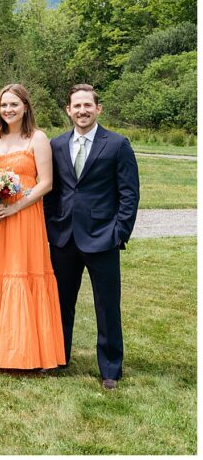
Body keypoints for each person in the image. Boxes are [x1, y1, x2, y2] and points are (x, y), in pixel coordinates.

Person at [44, 84, 140, 390]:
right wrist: (50, 227)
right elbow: (52, 192)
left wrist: (118, 233)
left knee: (107, 305)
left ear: (98, 109)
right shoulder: (56, 145)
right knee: (61, 302)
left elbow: (129, 194)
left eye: (88, 105)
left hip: (103, 238)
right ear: (68, 110)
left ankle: (110, 367)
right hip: (64, 237)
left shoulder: (117, 144)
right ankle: (59, 357)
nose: (82, 110)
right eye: (77, 106)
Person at [0, 83, 66, 371]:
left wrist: (15, 207)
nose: (8, 110)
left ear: (25, 107)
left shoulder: (37, 138)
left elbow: (46, 182)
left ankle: (25, 353)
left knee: (20, 275)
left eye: (14, 105)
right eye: (4, 105)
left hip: (23, 218)